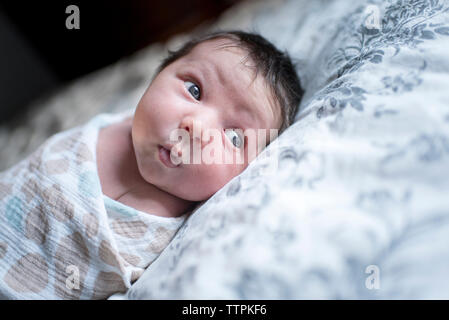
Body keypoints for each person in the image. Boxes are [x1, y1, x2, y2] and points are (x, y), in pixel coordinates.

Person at [0, 30, 303, 299]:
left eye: (235, 137)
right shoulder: (116, 125)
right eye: (194, 90)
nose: (196, 128)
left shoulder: (183, 241)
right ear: (159, 74)